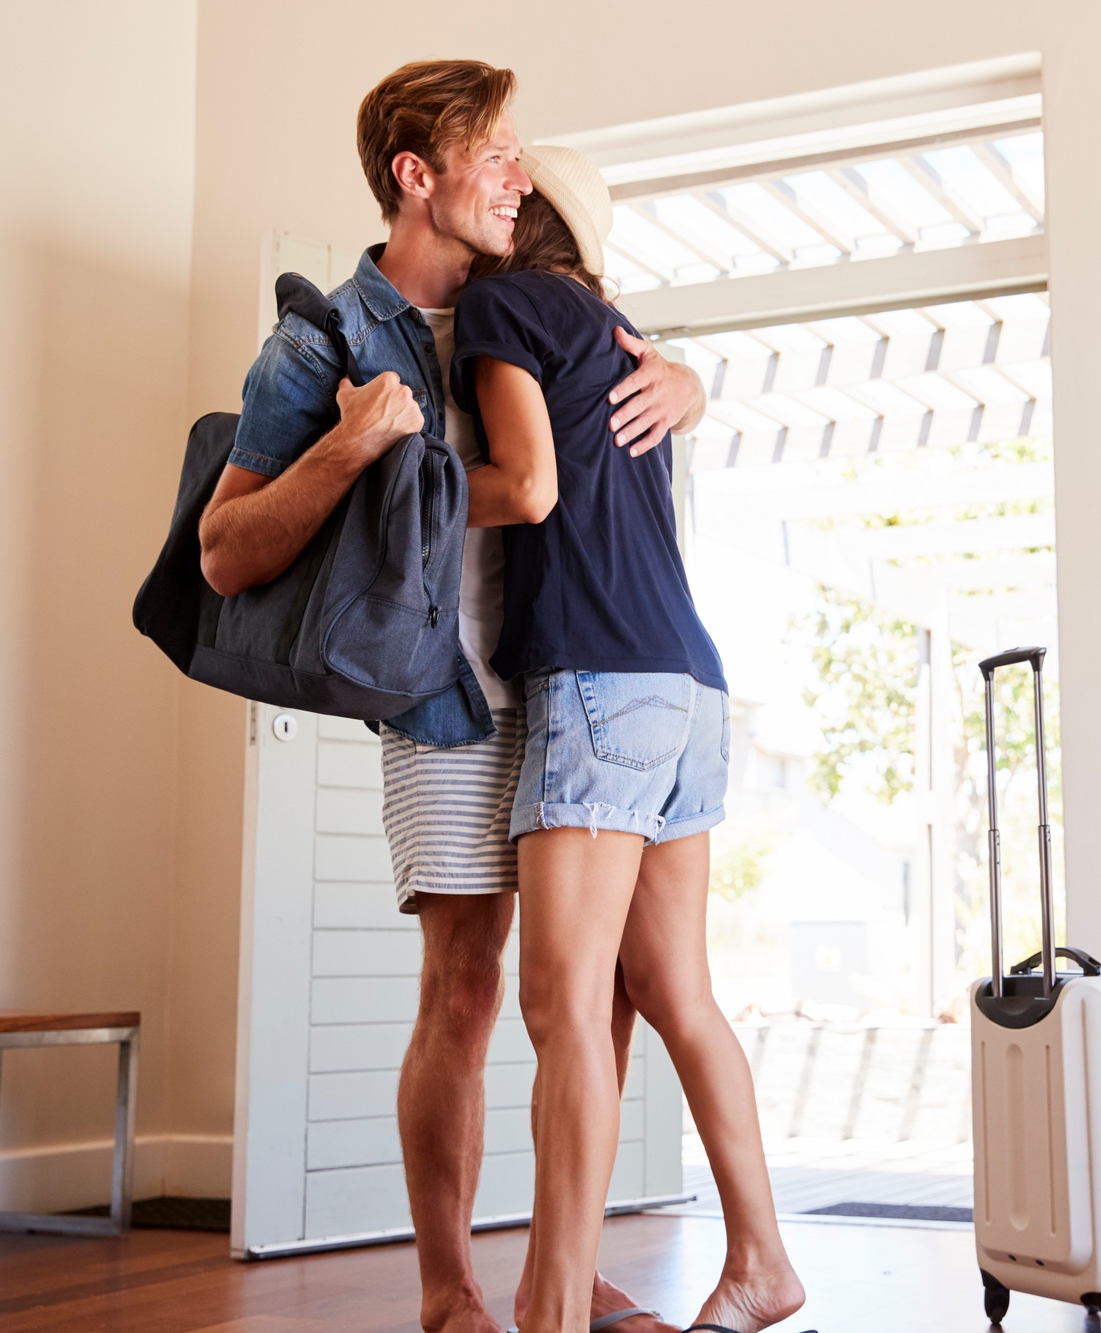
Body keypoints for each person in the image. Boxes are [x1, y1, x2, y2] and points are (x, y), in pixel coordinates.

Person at [198, 61, 706, 1333]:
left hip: (579, 671)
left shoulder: (530, 300)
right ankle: (447, 1290)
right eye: (497, 154)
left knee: (604, 994)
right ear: (416, 177)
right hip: (443, 699)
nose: (519, 176)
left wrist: (695, 384)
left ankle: (564, 1268)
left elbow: (637, 386)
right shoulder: (322, 339)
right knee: (467, 990)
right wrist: (350, 445)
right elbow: (225, 550)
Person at [451, 147, 806, 1333]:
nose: (492, 199)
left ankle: (550, 1312)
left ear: (532, 216)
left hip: (598, 680)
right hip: (688, 684)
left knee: (558, 1007)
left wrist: (396, 482)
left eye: (510, 188)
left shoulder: (503, 303)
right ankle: (759, 1261)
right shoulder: (621, 332)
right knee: (672, 990)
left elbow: (526, 484)